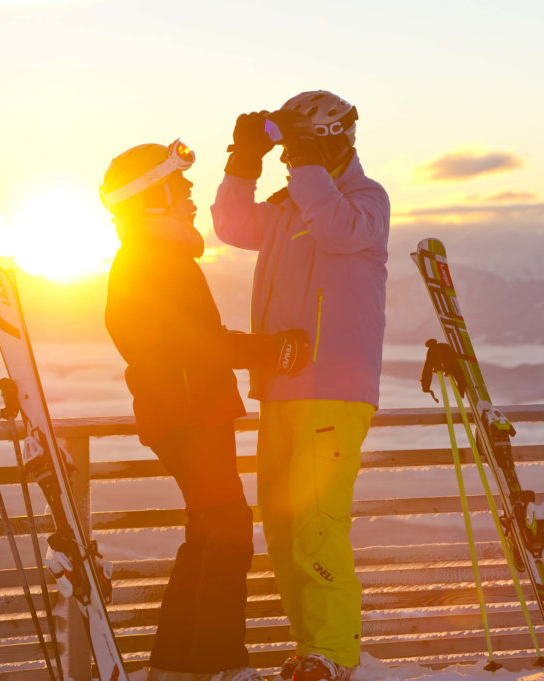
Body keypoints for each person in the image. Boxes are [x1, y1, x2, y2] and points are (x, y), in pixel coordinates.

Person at [100, 139, 308, 681]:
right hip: (188, 415)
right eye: (179, 185)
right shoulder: (151, 262)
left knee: (210, 533)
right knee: (230, 533)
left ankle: (174, 667)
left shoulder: (153, 259)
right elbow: (198, 344)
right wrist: (271, 349)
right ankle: (219, 666)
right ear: (150, 200)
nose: (190, 194)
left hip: (191, 412)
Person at [210, 91, 391, 681]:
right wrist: (244, 160)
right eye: (288, 147)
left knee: (317, 525)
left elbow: (338, 231)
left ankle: (336, 655)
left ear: (334, 138)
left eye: (298, 144)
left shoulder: (365, 201)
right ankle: (311, 651)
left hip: (335, 390)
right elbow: (233, 227)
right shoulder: (294, 203)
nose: (289, 157)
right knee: (286, 531)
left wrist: (308, 162)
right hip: (282, 389)